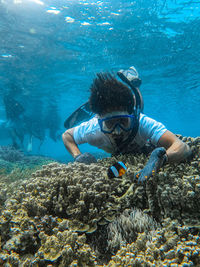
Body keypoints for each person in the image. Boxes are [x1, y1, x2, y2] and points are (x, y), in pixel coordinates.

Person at [62, 67, 191, 182]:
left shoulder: (141, 122)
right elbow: (67, 136)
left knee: (139, 104)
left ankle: (134, 85)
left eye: (123, 121)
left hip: (134, 112)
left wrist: (161, 160)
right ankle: (104, 101)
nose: (118, 131)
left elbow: (182, 146)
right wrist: (77, 156)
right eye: (109, 123)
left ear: (132, 116)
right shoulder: (93, 129)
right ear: (98, 119)